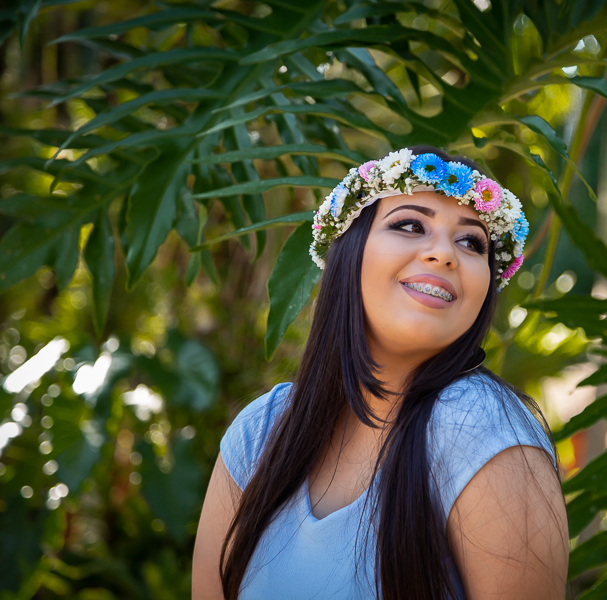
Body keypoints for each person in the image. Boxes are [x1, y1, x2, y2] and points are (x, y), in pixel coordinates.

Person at [192, 145, 569, 600]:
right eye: (410, 225)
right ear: (347, 253)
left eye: (472, 242)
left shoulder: (480, 424)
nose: (444, 254)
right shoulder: (262, 431)